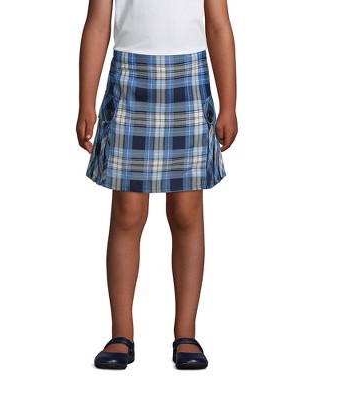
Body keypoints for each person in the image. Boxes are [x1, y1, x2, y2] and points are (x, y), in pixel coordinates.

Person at [76, 0, 237, 370]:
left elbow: (218, 25)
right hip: (130, 77)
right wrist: (86, 100)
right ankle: (121, 333)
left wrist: (229, 103)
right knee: (127, 213)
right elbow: (98, 24)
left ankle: (186, 333)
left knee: (186, 212)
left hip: (189, 77)